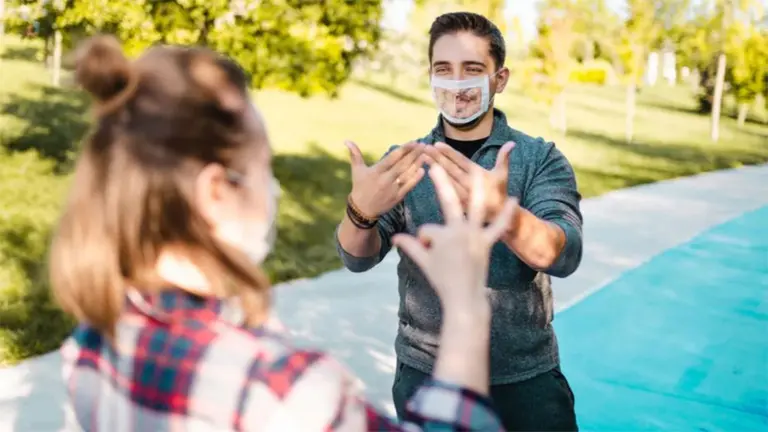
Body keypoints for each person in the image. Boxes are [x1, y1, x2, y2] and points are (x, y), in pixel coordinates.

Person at [50, 35, 518, 431]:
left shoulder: (90, 346)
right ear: (216, 192)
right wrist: (465, 308)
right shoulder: (286, 389)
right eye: (262, 167)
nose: (272, 188)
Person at [336, 12, 583, 431]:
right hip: (425, 375)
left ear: (499, 79)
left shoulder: (539, 158)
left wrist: (502, 215)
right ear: (430, 76)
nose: (457, 84)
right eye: (443, 70)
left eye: (472, 70)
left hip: (526, 380)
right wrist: (360, 211)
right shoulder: (406, 161)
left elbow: (563, 254)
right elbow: (357, 258)